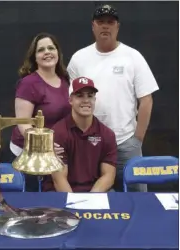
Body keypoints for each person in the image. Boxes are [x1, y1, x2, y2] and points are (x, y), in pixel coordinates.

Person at [67, 4, 159, 192]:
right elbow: (72, 101)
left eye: (110, 22)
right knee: (93, 202)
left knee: (138, 201)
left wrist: (137, 139)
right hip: (90, 145)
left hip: (126, 143)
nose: (105, 26)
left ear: (117, 27)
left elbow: (146, 99)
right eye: (101, 22)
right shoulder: (79, 58)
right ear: (93, 26)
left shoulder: (133, 57)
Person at [10, 33, 71, 191]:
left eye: (51, 48)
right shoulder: (28, 83)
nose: (47, 52)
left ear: (58, 52)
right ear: (34, 57)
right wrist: (46, 146)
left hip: (53, 153)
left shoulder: (64, 81)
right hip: (29, 154)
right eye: (41, 50)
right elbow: (23, 124)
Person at [43, 77, 117, 193]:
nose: (86, 100)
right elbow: (59, 179)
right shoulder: (58, 133)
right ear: (70, 100)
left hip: (95, 192)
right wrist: (74, 205)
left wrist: (90, 200)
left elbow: (108, 176)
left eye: (90, 96)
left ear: (95, 100)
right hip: (62, 192)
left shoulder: (107, 134)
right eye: (80, 96)